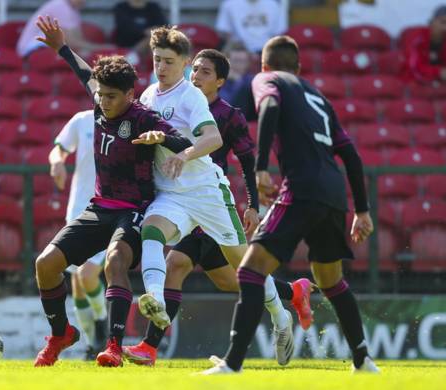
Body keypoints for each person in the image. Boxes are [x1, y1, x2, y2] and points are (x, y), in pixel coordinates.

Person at [122, 48, 313, 367]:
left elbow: (247, 158)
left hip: (211, 200)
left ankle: (284, 311)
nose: (196, 75)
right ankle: (150, 342)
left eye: (205, 72)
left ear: (221, 81)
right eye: (194, 69)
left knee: (235, 274)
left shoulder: (228, 114)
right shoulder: (164, 97)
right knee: (177, 261)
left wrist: (252, 204)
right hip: (178, 197)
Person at [201, 35, 380, 375]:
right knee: (331, 280)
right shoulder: (319, 97)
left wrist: (261, 167)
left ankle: (232, 364)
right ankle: (363, 360)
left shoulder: (267, 79)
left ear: (265, 65)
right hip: (334, 195)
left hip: (300, 189)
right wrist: (362, 210)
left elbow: (268, 107)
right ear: (298, 67)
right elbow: (351, 154)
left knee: (250, 271)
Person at [32, 15, 193, 368]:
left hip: (133, 209)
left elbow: (185, 140)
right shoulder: (99, 100)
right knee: (45, 265)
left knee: (114, 261)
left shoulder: (143, 118)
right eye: (101, 95)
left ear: (130, 95)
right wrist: (61, 46)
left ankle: (114, 345)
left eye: (111, 97)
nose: (103, 101)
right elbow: (82, 72)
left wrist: (165, 138)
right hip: (99, 206)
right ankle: (61, 334)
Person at [49, 110, 108, 359]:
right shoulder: (81, 120)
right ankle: (91, 344)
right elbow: (59, 148)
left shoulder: (129, 119)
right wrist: (57, 162)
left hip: (108, 209)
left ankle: (102, 327)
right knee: (78, 284)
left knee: (87, 274)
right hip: (77, 209)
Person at [16, 0, 113, 57]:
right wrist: (102, 49)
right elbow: (72, 42)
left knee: (83, 55)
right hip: (34, 50)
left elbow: (78, 41)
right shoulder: (61, 5)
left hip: (50, 48)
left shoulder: (74, 11)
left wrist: (93, 50)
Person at [215, 0, 287, 53]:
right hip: (239, 50)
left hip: (267, 50)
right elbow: (224, 33)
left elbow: (278, 35)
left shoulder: (274, 5)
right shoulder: (229, 4)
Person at [402, 5, 446, 83]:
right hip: (413, 85)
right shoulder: (418, 38)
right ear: (432, 22)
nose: (444, 28)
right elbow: (412, 68)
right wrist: (438, 72)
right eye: (442, 22)